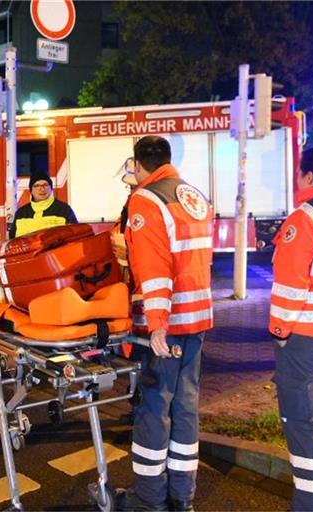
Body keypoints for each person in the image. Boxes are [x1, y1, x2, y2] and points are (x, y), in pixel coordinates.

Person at [114, 135, 214, 512]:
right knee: (186, 406)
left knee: (154, 408)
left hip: (167, 323)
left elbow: (156, 269)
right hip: (197, 318)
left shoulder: (145, 199)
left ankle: (148, 499)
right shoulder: (193, 195)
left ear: (139, 164)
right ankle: (181, 496)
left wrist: (156, 323)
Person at [270, 147, 313, 512]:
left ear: (310, 177)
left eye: (299, 174)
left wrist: (280, 332)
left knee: (305, 425)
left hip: (308, 340)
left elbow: (289, 286)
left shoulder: (306, 218)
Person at [9, 169, 78, 238]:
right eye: (37, 186)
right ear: (31, 190)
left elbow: (74, 236)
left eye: (45, 185)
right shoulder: (21, 213)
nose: (42, 189)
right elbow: (12, 240)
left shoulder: (64, 210)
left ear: (51, 188)